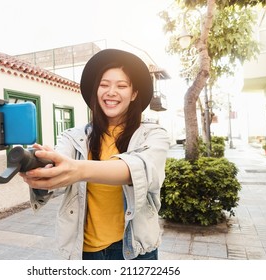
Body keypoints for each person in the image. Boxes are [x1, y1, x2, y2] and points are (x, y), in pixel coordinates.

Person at [20, 49, 170, 260]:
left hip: (134, 250)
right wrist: (40, 169)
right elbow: (57, 174)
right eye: (104, 84)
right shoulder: (73, 136)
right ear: (96, 90)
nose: (111, 92)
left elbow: (139, 169)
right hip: (84, 250)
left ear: (134, 93)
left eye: (121, 86)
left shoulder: (152, 134)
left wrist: (78, 170)